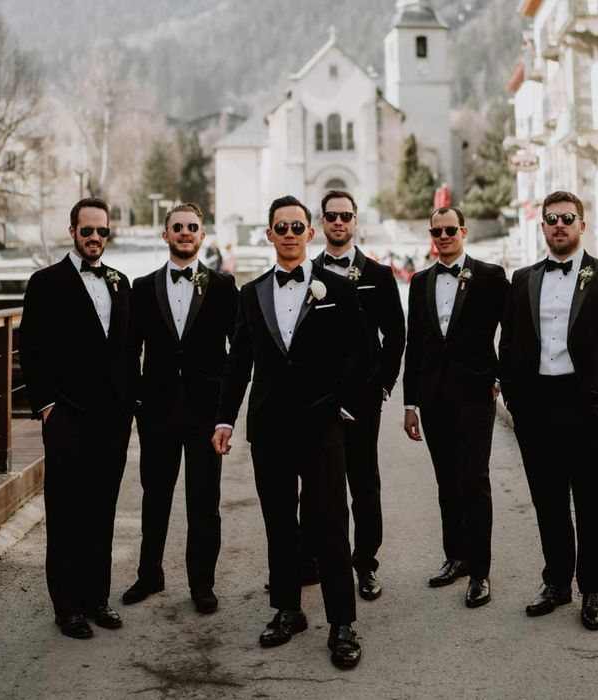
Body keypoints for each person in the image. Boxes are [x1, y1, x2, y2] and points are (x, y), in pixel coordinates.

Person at [212, 195, 368, 669]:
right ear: (269, 234)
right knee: (279, 524)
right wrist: (224, 418)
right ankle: (287, 610)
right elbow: (238, 361)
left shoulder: (338, 289)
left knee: (330, 525)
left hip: (321, 426)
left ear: (311, 233)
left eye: (298, 226)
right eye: (281, 226)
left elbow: (359, 355)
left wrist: (341, 403)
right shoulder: (251, 292)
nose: (290, 233)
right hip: (271, 429)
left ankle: (342, 622)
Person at [499, 190, 598, 630]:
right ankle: (557, 583)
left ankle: (593, 590)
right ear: (542, 226)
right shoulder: (523, 278)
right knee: (548, 501)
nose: (559, 225)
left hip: (592, 410)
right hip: (538, 408)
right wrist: (515, 401)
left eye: (567, 218)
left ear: (582, 224)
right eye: (551, 219)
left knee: (594, 504)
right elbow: (512, 344)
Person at [19, 197, 135, 639]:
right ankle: (66, 607)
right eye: (87, 230)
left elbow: (126, 352)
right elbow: (31, 349)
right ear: (72, 232)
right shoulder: (45, 282)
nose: (94, 238)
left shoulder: (121, 283)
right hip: (66, 417)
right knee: (65, 512)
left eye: (101, 231)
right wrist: (47, 408)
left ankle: (97, 598)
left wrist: (130, 405)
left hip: (112, 421)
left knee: (101, 509)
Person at [123, 203, 238, 614]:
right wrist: (136, 399)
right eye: (177, 227)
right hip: (156, 412)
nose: (185, 232)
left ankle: (201, 584)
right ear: (165, 235)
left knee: (204, 503)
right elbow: (128, 349)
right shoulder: (142, 287)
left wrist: (225, 405)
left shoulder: (224, 287)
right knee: (155, 497)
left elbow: (238, 352)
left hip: (206, 413)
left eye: (192, 227)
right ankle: (149, 574)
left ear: (202, 236)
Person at [403, 206, 509, 608]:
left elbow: (512, 329)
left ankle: (480, 570)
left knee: (474, 480)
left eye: (450, 230)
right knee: (446, 481)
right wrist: (410, 403)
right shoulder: (419, 281)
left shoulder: (489, 276)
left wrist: (500, 378)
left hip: (475, 395)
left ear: (463, 231)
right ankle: (456, 557)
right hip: (432, 398)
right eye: (437, 231)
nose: (444, 236)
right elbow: (415, 344)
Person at [311, 189, 405, 601]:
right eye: (331, 215)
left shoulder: (379, 275)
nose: (338, 222)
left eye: (345, 215)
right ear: (321, 221)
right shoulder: (305, 272)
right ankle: (311, 561)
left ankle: (365, 564)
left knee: (363, 484)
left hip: (364, 399)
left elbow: (396, 335)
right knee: (315, 486)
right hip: (315, 399)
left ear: (355, 221)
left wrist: (382, 382)